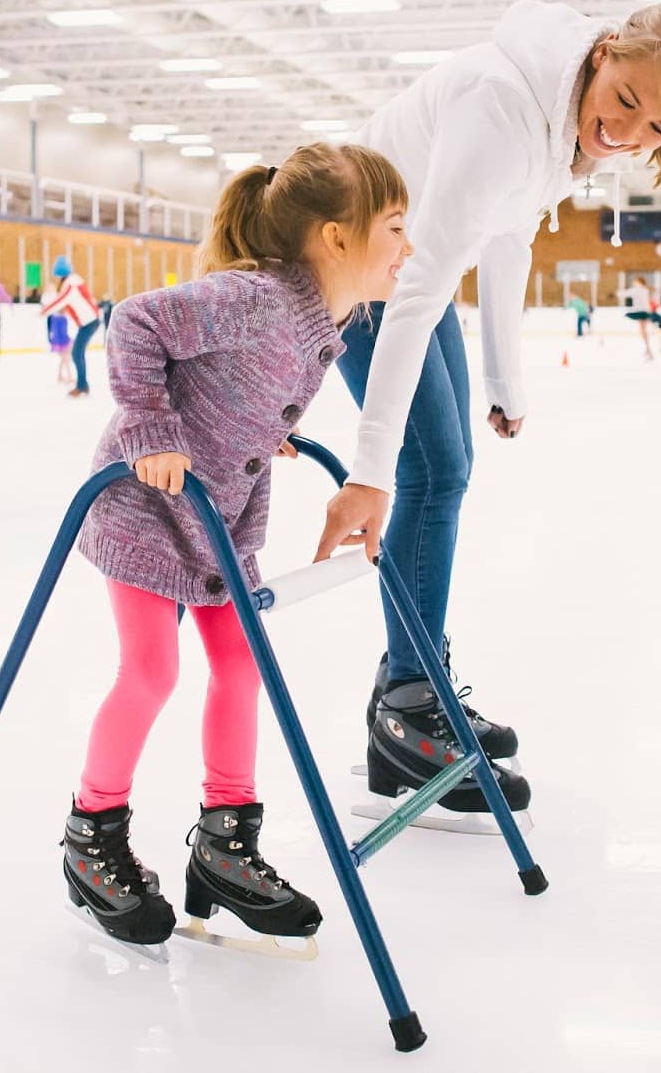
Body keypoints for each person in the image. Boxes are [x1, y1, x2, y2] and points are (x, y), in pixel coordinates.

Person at [314, 0, 661, 816]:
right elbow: (426, 279)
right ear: (604, 52)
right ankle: (408, 707)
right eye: (623, 103)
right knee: (432, 469)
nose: (625, 134)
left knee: (449, 469)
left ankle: (411, 688)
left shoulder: (561, 110)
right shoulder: (505, 104)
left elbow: (510, 232)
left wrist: (506, 380)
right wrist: (368, 470)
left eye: (653, 131)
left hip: (401, 271)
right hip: (355, 269)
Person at [62, 143, 411, 948]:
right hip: (146, 504)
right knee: (152, 670)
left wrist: (263, 429)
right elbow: (137, 322)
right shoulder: (256, 297)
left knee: (243, 663)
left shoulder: (320, 315)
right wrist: (151, 427)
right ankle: (92, 833)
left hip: (218, 516)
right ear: (335, 236)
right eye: (394, 226)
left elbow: (235, 383)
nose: (407, 245)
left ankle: (224, 840)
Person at [41, 257, 102, 397]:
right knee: (77, 353)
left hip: (90, 322)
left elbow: (61, 300)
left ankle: (82, 386)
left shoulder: (71, 283)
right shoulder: (73, 281)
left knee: (76, 353)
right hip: (88, 322)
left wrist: (44, 310)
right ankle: (82, 386)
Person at [624, 280, 655, 360]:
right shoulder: (644, 290)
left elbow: (624, 294)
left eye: (636, 282)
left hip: (642, 311)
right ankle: (648, 349)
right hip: (643, 311)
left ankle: (648, 349)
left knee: (643, 330)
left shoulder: (639, 290)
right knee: (643, 330)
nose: (635, 284)